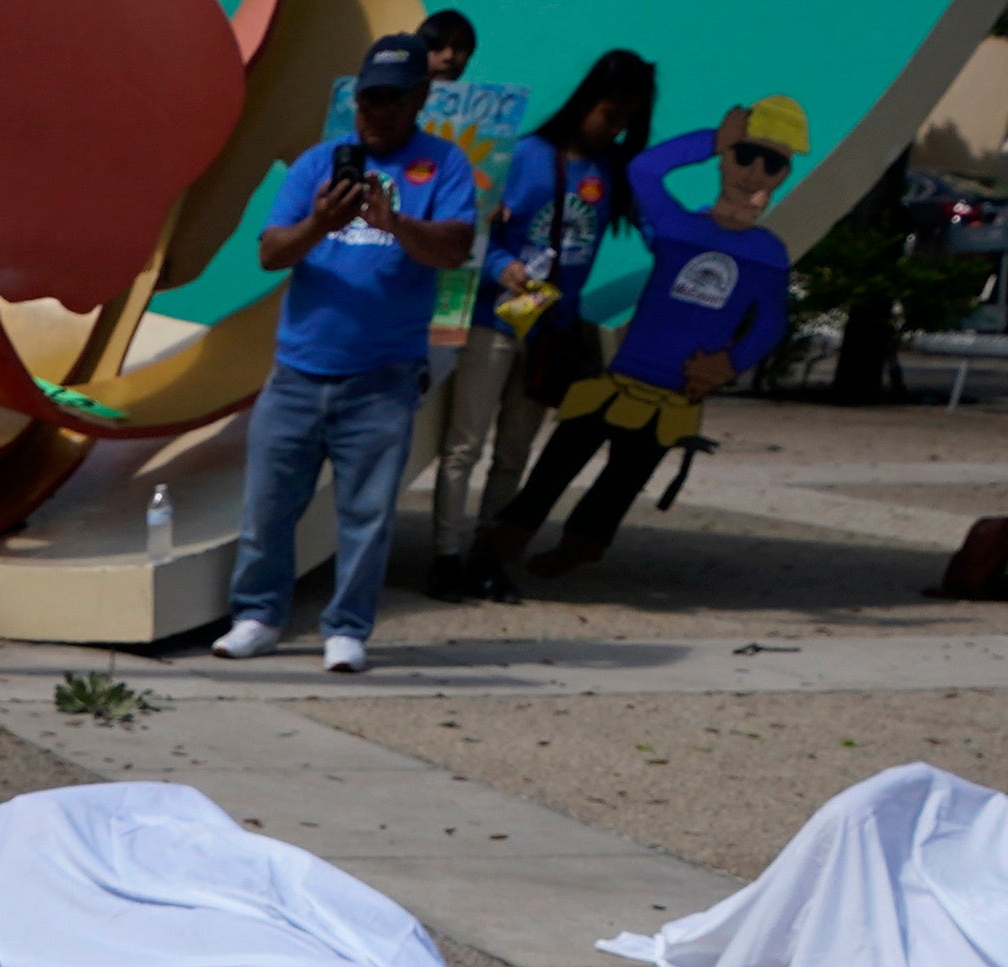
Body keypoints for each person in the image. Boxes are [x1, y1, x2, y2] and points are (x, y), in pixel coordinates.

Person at [218, 42, 493, 672]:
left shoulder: (444, 164)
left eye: (394, 99)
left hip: (382, 378)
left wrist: (395, 224)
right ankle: (257, 615)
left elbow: (453, 249)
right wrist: (319, 223)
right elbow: (271, 253)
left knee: (366, 515)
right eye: (370, 98)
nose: (378, 112)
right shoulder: (319, 163)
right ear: (355, 99)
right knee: (266, 505)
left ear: (421, 99)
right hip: (297, 371)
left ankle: (346, 628)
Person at [465, 94, 805, 599]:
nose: (755, 170)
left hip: (677, 391)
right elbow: (644, 172)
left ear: (784, 173)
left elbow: (770, 324)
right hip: (620, 379)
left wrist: (728, 363)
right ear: (728, 159)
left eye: (772, 162)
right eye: (745, 155)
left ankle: (580, 544)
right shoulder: (677, 225)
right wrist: (710, 142)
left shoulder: (767, 254)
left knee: (623, 478)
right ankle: (502, 544)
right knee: (560, 457)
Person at [429, 47, 655, 592]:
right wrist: (504, 268)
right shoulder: (521, 155)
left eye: (628, 120)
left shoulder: (617, 172)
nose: (616, 128)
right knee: (465, 444)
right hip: (493, 319)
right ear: (587, 102)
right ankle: (445, 557)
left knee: (514, 452)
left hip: (551, 331)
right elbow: (474, 229)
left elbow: (658, 231)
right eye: (611, 114)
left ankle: (490, 557)